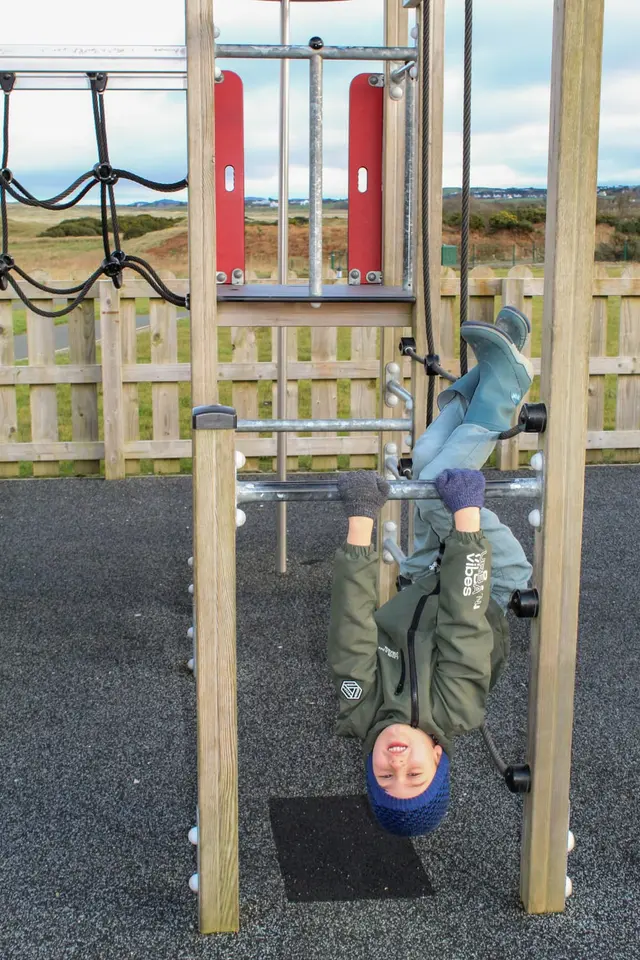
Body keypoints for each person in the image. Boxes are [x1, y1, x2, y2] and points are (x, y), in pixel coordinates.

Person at [327, 308, 534, 838]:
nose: (397, 763)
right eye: (413, 773)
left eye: (385, 775)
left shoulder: (358, 708)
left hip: (425, 576)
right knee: (442, 480)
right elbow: (466, 618)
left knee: (422, 460)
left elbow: (352, 631)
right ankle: (505, 387)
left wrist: (360, 525)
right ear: (438, 755)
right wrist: (466, 522)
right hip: (486, 578)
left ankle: (483, 379)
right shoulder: (458, 708)